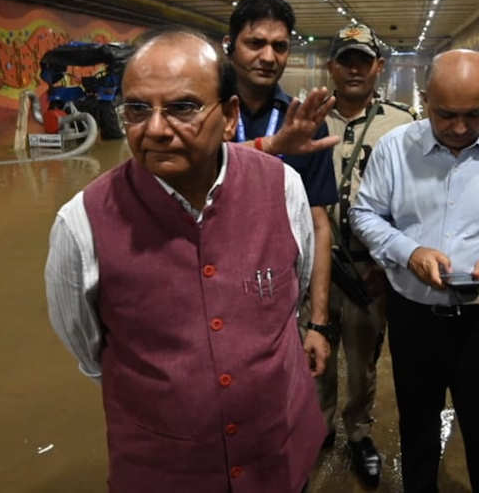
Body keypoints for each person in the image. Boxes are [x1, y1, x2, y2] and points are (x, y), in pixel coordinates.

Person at [45, 28, 325, 493]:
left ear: (231, 115)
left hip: (279, 456)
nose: (155, 128)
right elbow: (88, 350)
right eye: (137, 109)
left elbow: (292, 297)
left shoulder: (282, 188)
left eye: (182, 108)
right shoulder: (82, 223)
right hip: (164, 471)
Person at [349, 49, 479, 492]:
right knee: (417, 419)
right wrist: (408, 251)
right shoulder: (394, 149)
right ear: (425, 99)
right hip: (413, 312)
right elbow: (365, 215)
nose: (460, 128)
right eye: (446, 115)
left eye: (475, 114)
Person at [317, 23, 415, 487]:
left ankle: (357, 433)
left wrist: (390, 264)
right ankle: (318, 428)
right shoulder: (307, 117)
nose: (353, 68)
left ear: (379, 66)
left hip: (370, 269)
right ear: (330, 65)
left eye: (363, 60)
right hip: (314, 265)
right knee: (314, 355)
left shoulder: (404, 123)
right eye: (344, 59)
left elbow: (419, 203)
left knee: (362, 361)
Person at [224, 0, 339, 379]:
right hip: (205, 282)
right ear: (231, 45)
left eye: (280, 46)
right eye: (255, 43)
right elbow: (188, 167)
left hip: (277, 289)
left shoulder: (303, 123)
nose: (269, 57)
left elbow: (318, 223)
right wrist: (270, 147)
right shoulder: (201, 109)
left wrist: (318, 323)